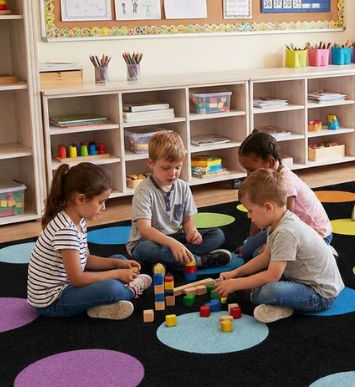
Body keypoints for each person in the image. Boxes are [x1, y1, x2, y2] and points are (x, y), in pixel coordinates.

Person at [215, 169, 344, 324]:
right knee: (262, 275)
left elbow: (272, 276)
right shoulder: (277, 222)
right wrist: (235, 273)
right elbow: (265, 257)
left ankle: (276, 303)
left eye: (250, 210)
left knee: (270, 290)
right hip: (301, 280)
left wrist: (236, 284)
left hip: (321, 295)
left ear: (269, 207)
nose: (248, 216)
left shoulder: (286, 231)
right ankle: (283, 303)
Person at [27, 163, 151, 319]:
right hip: (53, 303)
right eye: (100, 202)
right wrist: (116, 274)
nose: (104, 207)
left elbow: (86, 260)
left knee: (119, 259)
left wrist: (117, 265)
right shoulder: (66, 231)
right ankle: (128, 291)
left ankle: (100, 304)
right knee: (113, 288)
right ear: (81, 199)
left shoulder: (78, 220)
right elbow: (77, 279)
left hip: (69, 284)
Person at [127, 130, 231, 272]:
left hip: (176, 238)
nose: (173, 173)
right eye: (166, 168)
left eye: (177, 167)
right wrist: (172, 244)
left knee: (217, 235)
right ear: (151, 163)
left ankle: (176, 259)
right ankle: (200, 260)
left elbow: (187, 220)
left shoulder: (182, 187)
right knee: (145, 250)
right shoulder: (144, 191)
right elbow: (145, 230)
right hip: (149, 241)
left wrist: (192, 232)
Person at [237, 130, 332, 261]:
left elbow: (287, 222)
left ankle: (324, 252)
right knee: (248, 250)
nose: (248, 175)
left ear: (270, 163)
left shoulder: (286, 183)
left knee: (259, 257)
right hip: (284, 227)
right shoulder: (264, 179)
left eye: (251, 170)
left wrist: (268, 247)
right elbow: (256, 213)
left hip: (316, 234)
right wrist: (249, 242)